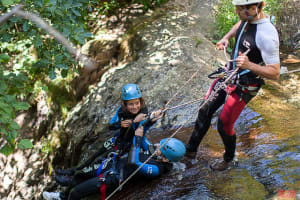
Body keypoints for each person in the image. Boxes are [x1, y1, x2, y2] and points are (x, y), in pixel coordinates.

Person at [185, 0, 280, 171]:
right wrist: (226, 37)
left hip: (246, 86)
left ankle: (229, 159)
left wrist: (250, 65)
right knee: (204, 110)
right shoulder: (248, 18)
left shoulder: (267, 35)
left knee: (223, 124)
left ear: (253, 8)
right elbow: (240, 24)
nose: (236, 12)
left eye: (239, 9)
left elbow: (275, 72)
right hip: (229, 74)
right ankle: (190, 152)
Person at [42, 126, 186, 200]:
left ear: (166, 159)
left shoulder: (156, 169)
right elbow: (142, 134)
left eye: (161, 147)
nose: (157, 146)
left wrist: (136, 141)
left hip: (113, 178)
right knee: (78, 177)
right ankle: (61, 196)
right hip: (111, 165)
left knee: (77, 192)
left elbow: (134, 162)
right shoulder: (156, 153)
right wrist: (149, 122)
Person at [56, 83, 161, 179]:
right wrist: (120, 124)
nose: (134, 107)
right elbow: (111, 125)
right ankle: (73, 171)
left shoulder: (143, 111)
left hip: (128, 144)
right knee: (94, 156)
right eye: (131, 104)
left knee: (100, 162)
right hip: (118, 138)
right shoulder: (121, 110)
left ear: (140, 101)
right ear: (125, 104)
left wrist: (150, 119)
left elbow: (140, 129)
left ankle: (76, 177)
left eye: (136, 103)